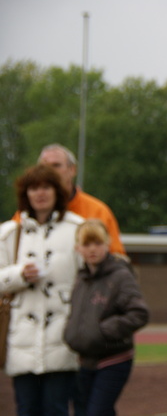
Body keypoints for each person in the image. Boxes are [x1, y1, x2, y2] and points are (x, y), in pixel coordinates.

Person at [0, 164, 84, 416]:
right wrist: (18, 275)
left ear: (57, 191)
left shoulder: (77, 229)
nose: (40, 194)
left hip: (62, 337)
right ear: (25, 194)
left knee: (56, 409)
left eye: (46, 187)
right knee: (25, 409)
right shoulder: (8, 234)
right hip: (21, 339)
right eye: (33, 188)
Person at [64, 219, 149, 416]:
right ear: (78, 248)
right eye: (86, 244)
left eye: (98, 243)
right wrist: (71, 331)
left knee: (97, 412)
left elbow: (139, 313)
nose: (92, 249)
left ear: (108, 243)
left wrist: (104, 330)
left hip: (113, 359)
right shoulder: (81, 279)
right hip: (84, 360)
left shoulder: (120, 276)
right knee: (84, 411)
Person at [12, 144, 125, 255]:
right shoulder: (25, 217)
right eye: (45, 167)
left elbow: (116, 260)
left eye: (56, 165)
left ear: (72, 170)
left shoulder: (97, 211)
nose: (50, 171)